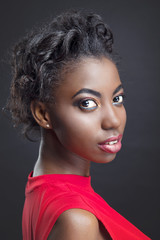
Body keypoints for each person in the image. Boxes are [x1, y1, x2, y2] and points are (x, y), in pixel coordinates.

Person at [6, 10, 151, 240]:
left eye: (117, 99)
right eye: (87, 103)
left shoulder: (41, 186)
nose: (113, 120)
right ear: (43, 114)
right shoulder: (76, 220)